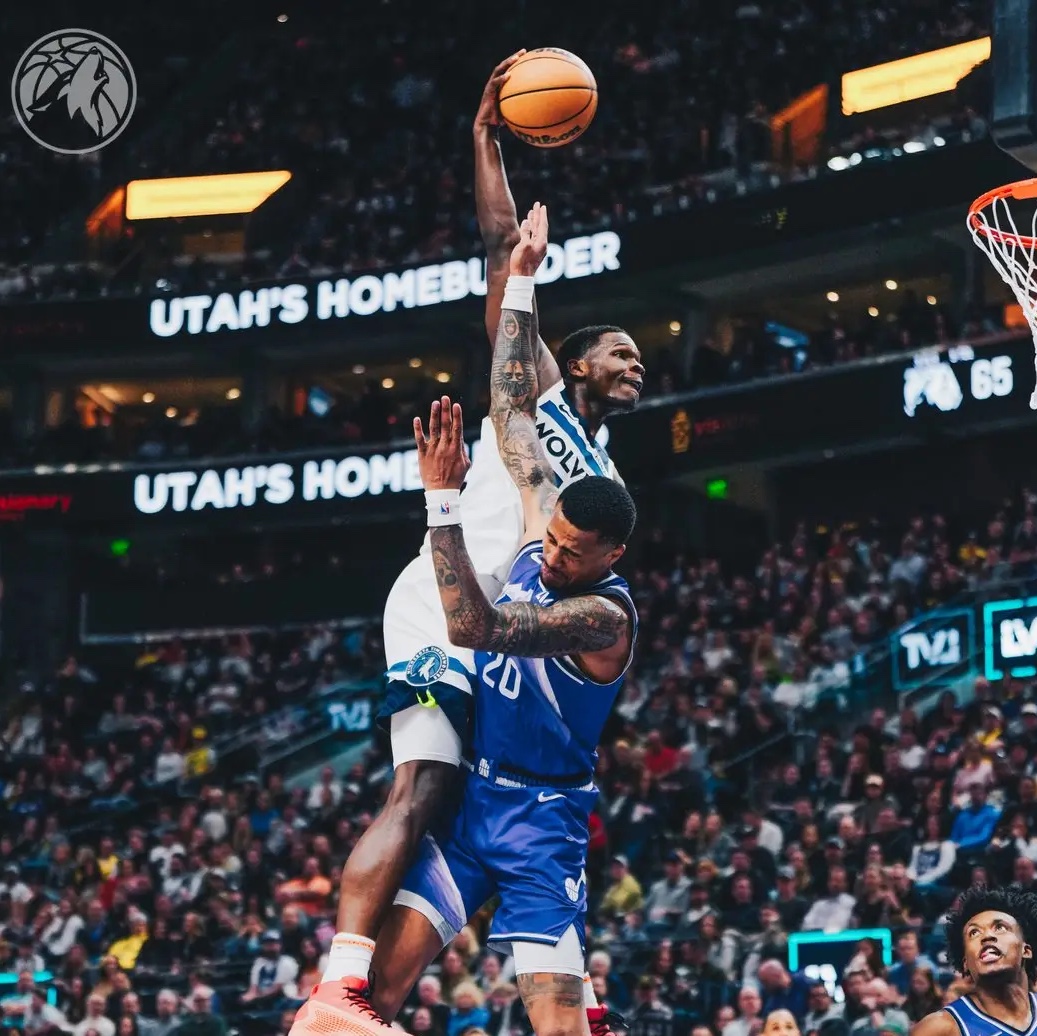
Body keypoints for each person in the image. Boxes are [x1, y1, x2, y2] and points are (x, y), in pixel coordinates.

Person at [310, 51, 643, 1025]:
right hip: (445, 598)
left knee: (471, 803)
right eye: (619, 351)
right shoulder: (538, 399)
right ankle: (341, 984)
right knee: (422, 789)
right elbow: (501, 249)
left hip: (495, 631)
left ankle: (558, 993)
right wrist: (484, 141)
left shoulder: (603, 478)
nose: (635, 364)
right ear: (570, 359)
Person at [910, 885, 1037, 1036]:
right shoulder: (940, 1028)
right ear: (965, 963)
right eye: (974, 932)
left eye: (1000, 927)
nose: (987, 936)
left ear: (1026, 950)